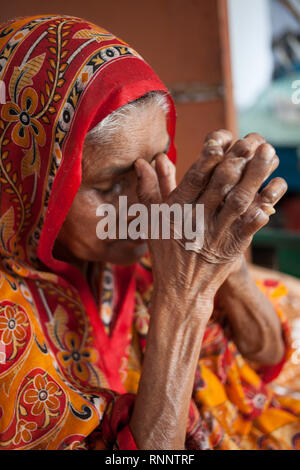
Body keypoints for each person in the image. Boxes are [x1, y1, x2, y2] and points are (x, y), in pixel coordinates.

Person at [0, 14, 298, 450]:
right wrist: (183, 300)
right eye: (108, 186)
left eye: (159, 162)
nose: (145, 200)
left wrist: (228, 267)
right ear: (26, 185)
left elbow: (266, 360)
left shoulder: (149, 255)